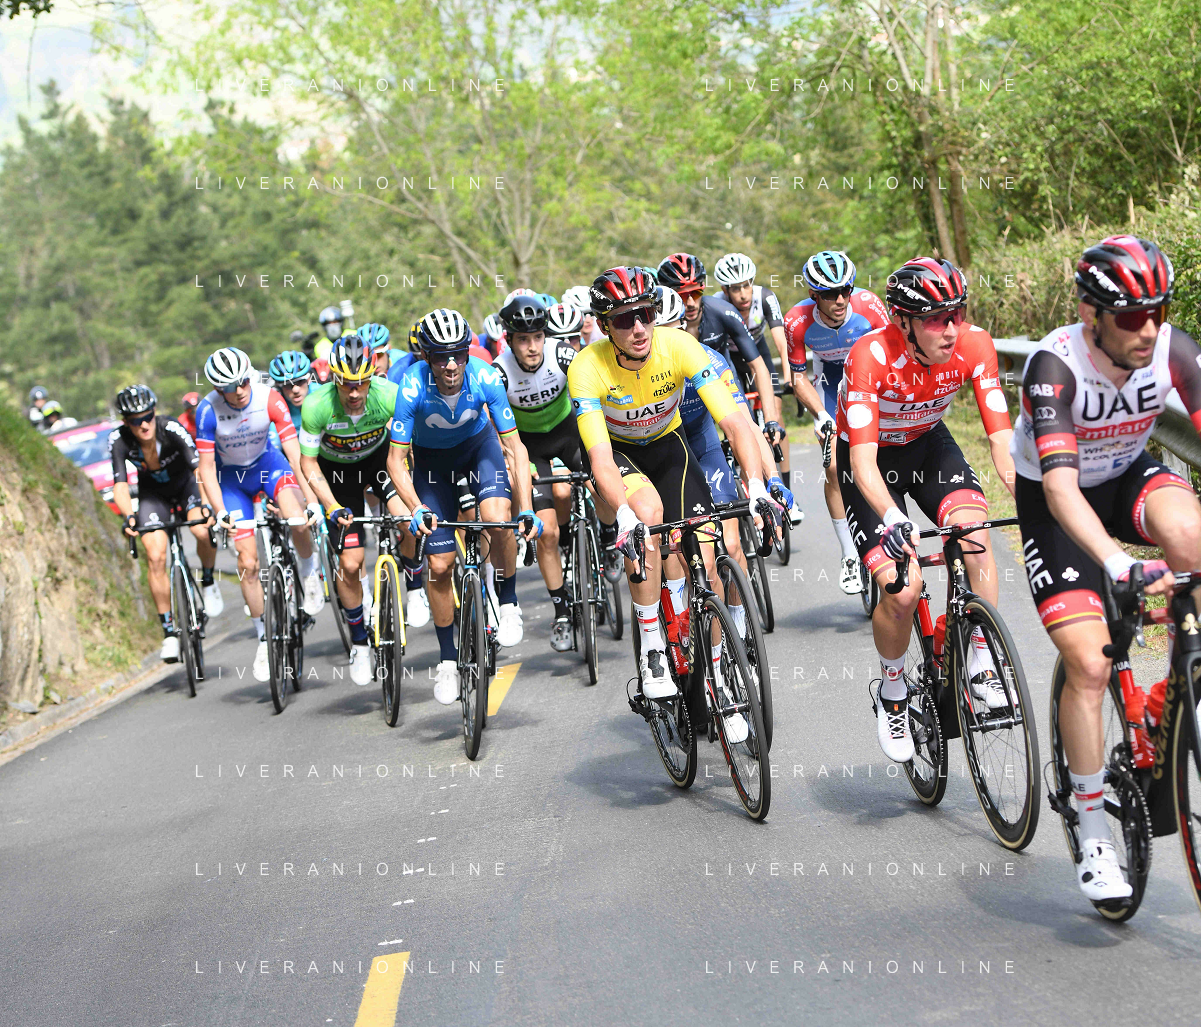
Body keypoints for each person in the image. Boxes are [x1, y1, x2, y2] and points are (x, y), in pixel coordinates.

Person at [1012, 235, 1201, 903]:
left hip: (1125, 475)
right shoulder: (1052, 368)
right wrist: (1119, 564)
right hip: (1056, 501)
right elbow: (1061, 490)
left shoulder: (1173, 350)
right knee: (1090, 663)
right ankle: (1092, 827)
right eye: (1132, 316)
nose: (1149, 328)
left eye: (1158, 311)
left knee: (1190, 535)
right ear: (1091, 314)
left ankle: (1176, 683)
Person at [567, 266, 778, 713]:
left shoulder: (679, 345)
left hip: (668, 445)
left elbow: (734, 422)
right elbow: (600, 459)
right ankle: (652, 647)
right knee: (647, 516)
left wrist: (757, 484)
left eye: (645, 314)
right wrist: (623, 516)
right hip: (618, 453)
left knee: (707, 556)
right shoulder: (587, 366)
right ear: (604, 326)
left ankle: (719, 679)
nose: (639, 327)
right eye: (624, 319)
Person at [836, 258, 1014, 764]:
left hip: (929, 445)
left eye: (957, 313)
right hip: (870, 462)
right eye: (936, 319)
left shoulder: (975, 345)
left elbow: (1002, 440)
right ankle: (892, 692)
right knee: (903, 588)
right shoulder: (870, 355)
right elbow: (863, 462)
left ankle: (981, 658)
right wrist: (894, 518)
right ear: (902, 320)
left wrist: (1032, 496)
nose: (951, 329)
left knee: (973, 532)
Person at [386, 309, 543, 704]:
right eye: (442, 357)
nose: (452, 365)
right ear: (427, 357)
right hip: (432, 465)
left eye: (458, 354)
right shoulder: (411, 387)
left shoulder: (485, 376)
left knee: (497, 520)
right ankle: (447, 660)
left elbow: (515, 447)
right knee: (439, 566)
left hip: (478, 450)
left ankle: (508, 601)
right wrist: (415, 507)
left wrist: (525, 507)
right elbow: (395, 460)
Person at [660, 286, 794, 640]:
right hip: (669, 457)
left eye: (676, 330)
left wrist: (771, 480)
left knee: (732, 546)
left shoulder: (709, 360)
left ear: (685, 327)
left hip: (703, 446)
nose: (670, 342)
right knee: (694, 560)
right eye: (662, 334)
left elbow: (745, 426)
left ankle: (738, 622)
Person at [492, 293, 615, 651]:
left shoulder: (562, 354)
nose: (532, 347)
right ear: (509, 341)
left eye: (537, 337)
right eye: (523, 339)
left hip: (569, 435)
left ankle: (609, 537)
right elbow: (495, 430)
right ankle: (561, 612)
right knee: (546, 533)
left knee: (602, 485)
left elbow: (594, 394)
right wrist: (514, 465)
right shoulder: (500, 372)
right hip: (530, 448)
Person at [193, 347, 324, 682]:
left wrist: (311, 500)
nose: (239, 390)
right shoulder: (207, 411)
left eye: (243, 381)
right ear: (218, 388)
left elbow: (295, 454)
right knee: (248, 563)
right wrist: (220, 512)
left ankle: (310, 572)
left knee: (297, 518)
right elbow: (206, 469)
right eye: (229, 387)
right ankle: (264, 638)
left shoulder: (269, 398)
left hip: (269, 466)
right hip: (231, 481)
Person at [299, 334, 408, 685]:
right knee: (349, 563)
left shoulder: (389, 394)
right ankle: (360, 643)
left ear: (372, 375)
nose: (355, 392)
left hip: (378, 462)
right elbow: (308, 463)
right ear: (334, 378)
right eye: (346, 383)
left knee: (408, 519)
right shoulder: (317, 405)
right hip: (337, 474)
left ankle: (417, 582)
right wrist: (330, 505)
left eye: (361, 382)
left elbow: (411, 444)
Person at [785, 250, 891, 594]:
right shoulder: (797, 321)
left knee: (884, 456)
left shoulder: (869, 306)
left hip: (870, 377)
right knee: (834, 468)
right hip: (830, 383)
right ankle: (849, 554)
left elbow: (894, 354)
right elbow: (798, 377)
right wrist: (821, 415)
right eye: (830, 294)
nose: (841, 300)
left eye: (846, 290)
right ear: (814, 295)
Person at [110, 385, 222, 662]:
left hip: (186, 486)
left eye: (148, 416)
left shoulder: (171, 428)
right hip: (153, 496)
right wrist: (129, 516)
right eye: (136, 420)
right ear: (125, 422)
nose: (144, 424)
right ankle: (169, 631)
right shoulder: (119, 439)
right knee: (156, 555)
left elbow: (199, 469)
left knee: (201, 529)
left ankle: (208, 581)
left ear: (155, 413)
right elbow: (120, 485)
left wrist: (206, 504)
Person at [656, 253, 784, 472]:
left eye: (696, 292)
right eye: (682, 295)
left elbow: (758, 366)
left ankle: (769, 487)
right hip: (680, 392)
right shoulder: (658, 325)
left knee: (747, 431)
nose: (690, 302)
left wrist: (771, 419)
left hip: (721, 379)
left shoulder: (722, 311)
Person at [713, 252, 800, 525]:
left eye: (746, 285)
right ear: (725, 290)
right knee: (744, 421)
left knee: (776, 412)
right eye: (735, 288)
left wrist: (789, 376)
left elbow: (781, 340)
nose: (743, 294)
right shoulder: (717, 304)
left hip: (758, 355)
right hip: (731, 360)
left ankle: (787, 491)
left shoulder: (765, 297)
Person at [267, 351, 311, 430]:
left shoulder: (324, 395)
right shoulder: (275, 406)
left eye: (300, 382)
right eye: (287, 385)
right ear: (279, 386)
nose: (295, 390)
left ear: (309, 379)